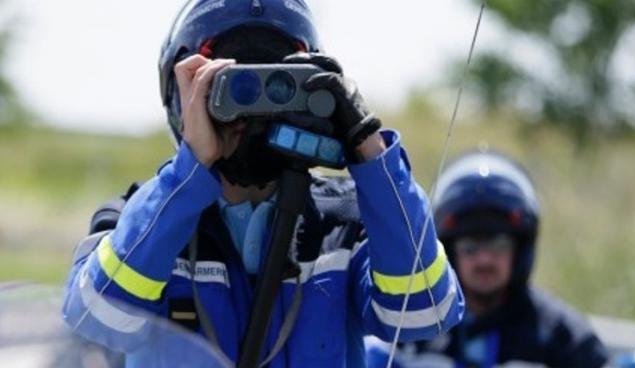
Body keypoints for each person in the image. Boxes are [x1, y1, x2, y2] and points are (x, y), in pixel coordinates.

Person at [60, 0, 464, 367]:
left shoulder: (347, 223)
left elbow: (423, 312)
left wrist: (368, 148)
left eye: (278, 86)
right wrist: (189, 173)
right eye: (234, 86)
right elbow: (97, 319)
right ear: (180, 97)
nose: (254, 108)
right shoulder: (139, 219)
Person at [366, 150, 609, 368]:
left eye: (498, 245)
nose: (484, 260)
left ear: (520, 249)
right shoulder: (410, 326)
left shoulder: (563, 337)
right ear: (448, 251)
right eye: (470, 247)